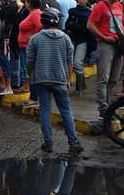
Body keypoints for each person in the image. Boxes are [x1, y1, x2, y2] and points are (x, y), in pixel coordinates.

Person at [27, 9, 84, 154]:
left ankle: (48, 142)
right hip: (60, 79)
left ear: (43, 21)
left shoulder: (35, 39)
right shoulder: (65, 38)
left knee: (45, 110)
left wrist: (32, 75)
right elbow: (69, 61)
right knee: (66, 111)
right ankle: (73, 142)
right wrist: (67, 79)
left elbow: (30, 61)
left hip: (42, 79)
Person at [88, 0, 124, 117]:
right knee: (103, 78)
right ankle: (103, 108)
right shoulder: (100, 6)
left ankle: (109, 105)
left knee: (114, 79)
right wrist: (103, 37)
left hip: (118, 45)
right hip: (105, 45)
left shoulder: (119, 6)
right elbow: (90, 25)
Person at [64, 0, 92, 93]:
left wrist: (74, 25)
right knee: (70, 63)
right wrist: (77, 26)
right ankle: (81, 85)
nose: (82, 0)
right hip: (72, 39)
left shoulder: (89, 12)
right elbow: (67, 25)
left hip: (83, 40)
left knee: (77, 64)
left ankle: (79, 88)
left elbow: (85, 28)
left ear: (87, 0)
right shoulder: (72, 11)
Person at [16, 0, 44, 95]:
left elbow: (40, 27)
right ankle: (27, 87)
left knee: (27, 68)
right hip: (25, 45)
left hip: (27, 46)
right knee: (26, 68)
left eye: (26, 1)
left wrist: (32, 37)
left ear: (29, 2)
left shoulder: (35, 13)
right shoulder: (33, 13)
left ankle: (30, 90)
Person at [0, 0, 23, 92]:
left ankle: (9, 85)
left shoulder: (11, 6)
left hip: (8, 36)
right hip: (9, 36)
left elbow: (0, 15)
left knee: (6, 60)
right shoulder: (13, 5)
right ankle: (10, 84)